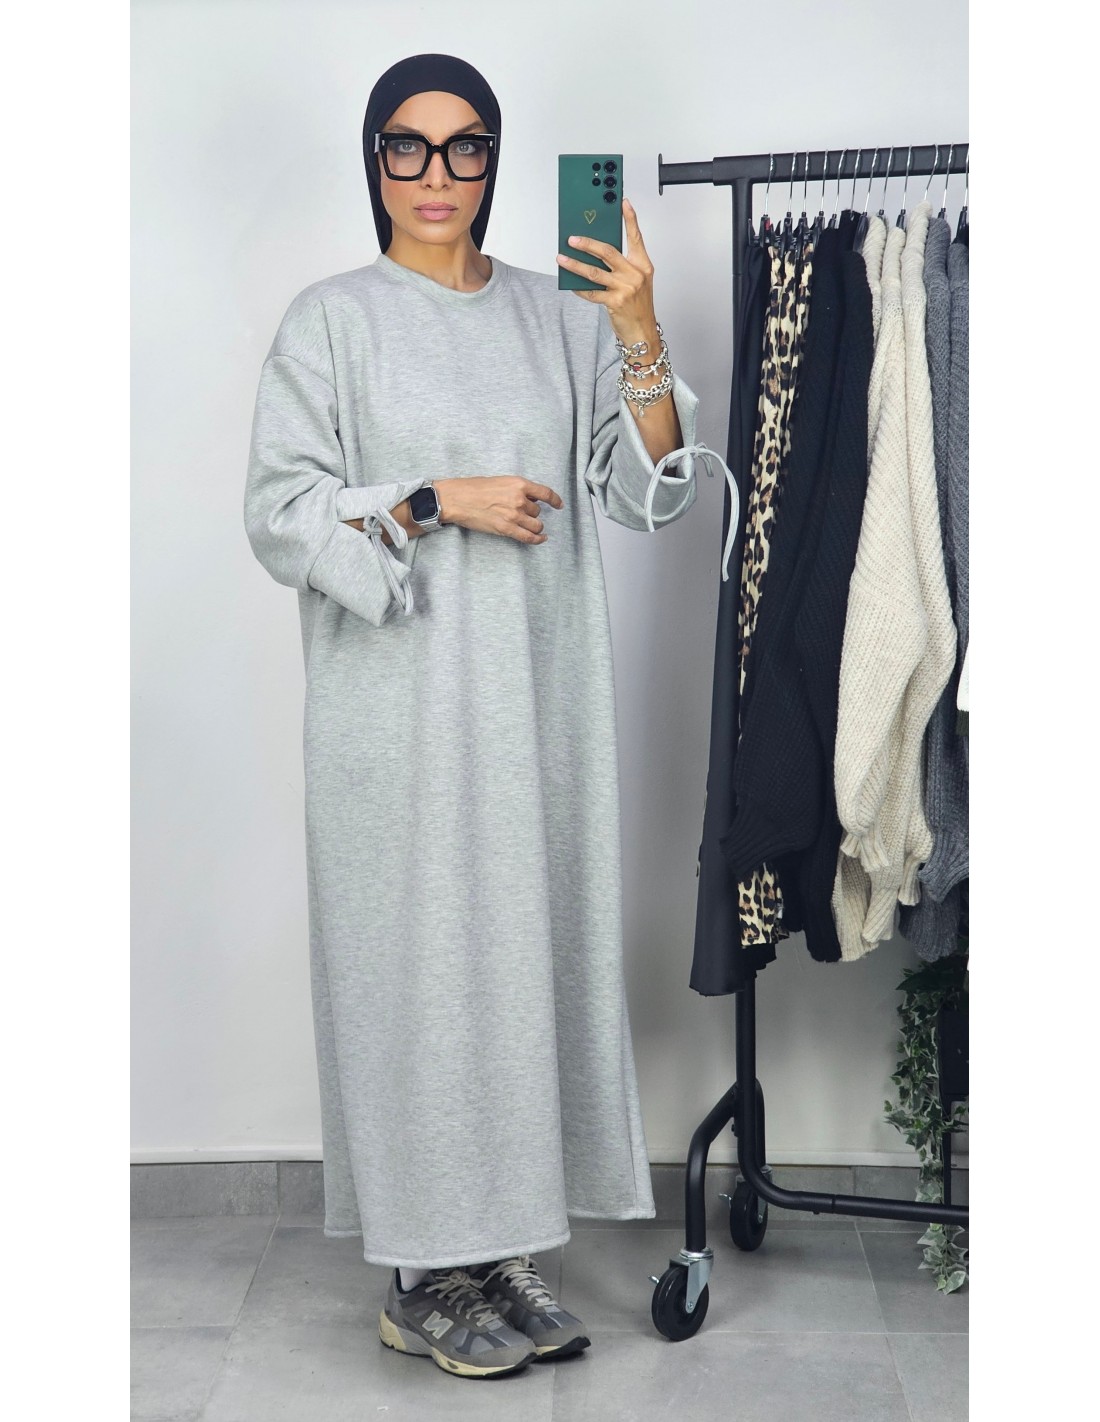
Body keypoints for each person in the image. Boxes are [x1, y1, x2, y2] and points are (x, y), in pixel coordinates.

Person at [243, 52, 713, 1380]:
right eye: (408, 146)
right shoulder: (330, 322)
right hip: (391, 720)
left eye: (464, 148)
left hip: (534, 709)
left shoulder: (559, 320)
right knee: (416, 979)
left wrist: (638, 329)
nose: (436, 174)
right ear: (374, 160)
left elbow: (654, 492)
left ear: (496, 162)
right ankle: (420, 1274)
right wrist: (438, 497)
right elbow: (280, 514)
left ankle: (499, 1249)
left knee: (519, 972)